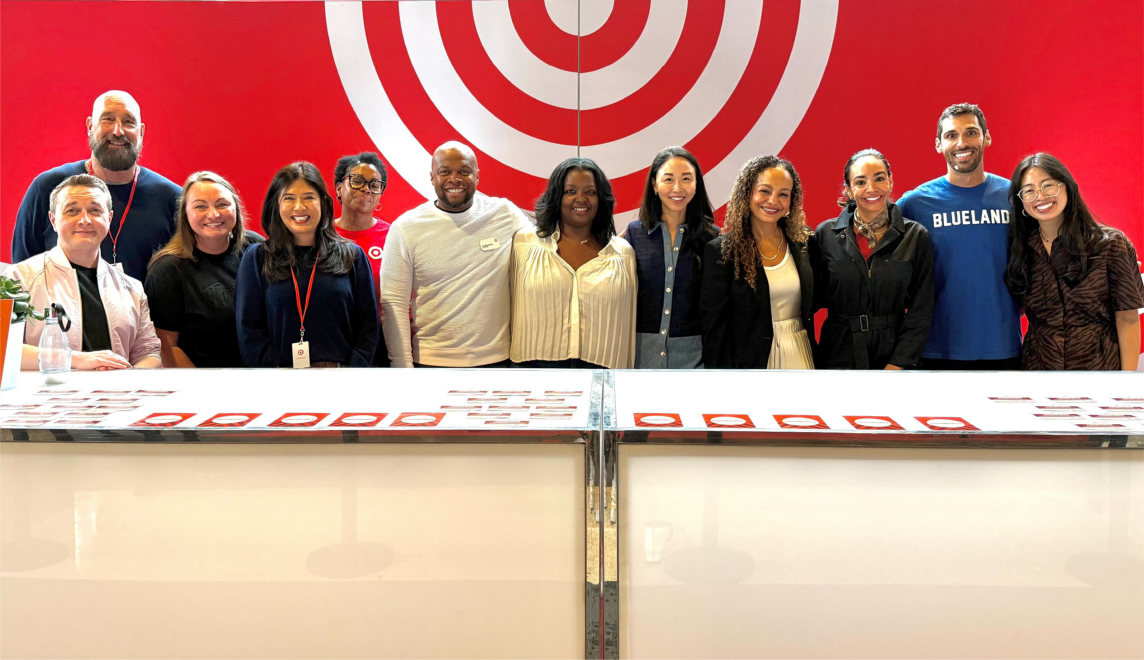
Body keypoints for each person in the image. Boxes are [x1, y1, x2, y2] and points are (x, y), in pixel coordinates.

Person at [379, 141, 530, 367]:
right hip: (431, 363)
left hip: (499, 362)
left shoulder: (504, 213)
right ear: (432, 177)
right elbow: (394, 303)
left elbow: (543, 250)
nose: (455, 179)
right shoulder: (406, 227)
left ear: (477, 176)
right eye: (445, 172)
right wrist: (402, 367)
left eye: (464, 172)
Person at [896, 103, 1021, 369]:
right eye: (951, 135)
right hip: (935, 350)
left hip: (1003, 347)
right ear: (938, 144)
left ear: (986, 137)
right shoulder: (914, 204)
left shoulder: (1014, 197)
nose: (962, 142)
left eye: (971, 133)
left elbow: (1054, 239)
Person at [11, 90, 180, 282]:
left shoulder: (172, 199)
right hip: (59, 311)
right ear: (90, 126)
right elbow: (22, 275)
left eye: (128, 122)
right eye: (108, 119)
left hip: (144, 311)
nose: (118, 131)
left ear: (141, 132)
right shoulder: (48, 188)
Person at [5, 175, 161, 370]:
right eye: (72, 211)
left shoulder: (132, 288)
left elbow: (149, 353)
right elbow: (4, 349)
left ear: (109, 218)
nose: (85, 220)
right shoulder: (18, 280)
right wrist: (75, 360)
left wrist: (125, 382)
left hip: (116, 398)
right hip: (46, 398)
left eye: (95, 210)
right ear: (53, 220)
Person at [1004, 153, 1144, 370]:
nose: (1040, 196)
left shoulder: (1111, 244)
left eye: (1048, 185)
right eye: (1029, 191)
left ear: (1067, 187)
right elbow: (1017, 306)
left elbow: (1128, 320)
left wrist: (1125, 382)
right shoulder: (1021, 248)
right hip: (1039, 372)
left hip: (1099, 370)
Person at [235, 162, 378, 368]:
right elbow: (249, 331)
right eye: (289, 198)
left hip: (342, 379)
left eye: (309, 197)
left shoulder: (352, 256)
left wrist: (352, 372)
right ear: (276, 204)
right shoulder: (257, 258)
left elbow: (368, 327)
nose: (299, 207)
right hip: (279, 380)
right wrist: (276, 372)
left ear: (323, 202)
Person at [813, 150, 935, 369]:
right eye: (860, 182)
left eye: (879, 178)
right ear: (849, 190)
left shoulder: (915, 236)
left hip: (894, 357)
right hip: (838, 356)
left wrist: (898, 364)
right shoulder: (825, 235)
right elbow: (808, 302)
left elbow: (921, 309)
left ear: (890, 182)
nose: (872, 188)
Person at [511, 158, 636, 369]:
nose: (581, 199)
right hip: (533, 370)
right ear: (557, 197)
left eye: (590, 192)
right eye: (570, 191)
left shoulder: (623, 253)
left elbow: (629, 320)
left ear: (600, 199)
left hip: (602, 369)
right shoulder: (524, 243)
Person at [701, 156, 815, 369]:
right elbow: (714, 329)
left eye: (783, 194)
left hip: (801, 354)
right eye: (764, 190)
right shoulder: (722, 251)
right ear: (746, 193)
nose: (773, 201)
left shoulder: (804, 242)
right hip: (751, 365)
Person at [144, 172, 264, 368]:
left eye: (222, 204)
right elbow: (166, 346)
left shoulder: (255, 248)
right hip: (204, 383)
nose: (213, 214)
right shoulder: (168, 269)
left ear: (236, 208)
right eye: (200, 206)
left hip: (263, 374)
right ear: (185, 214)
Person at [626, 147, 719, 369]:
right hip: (641, 360)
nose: (677, 188)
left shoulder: (712, 239)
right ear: (654, 185)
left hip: (694, 361)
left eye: (686, 179)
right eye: (668, 179)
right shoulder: (634, 233)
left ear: (696, 185)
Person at [332, 151, 391, 367]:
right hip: (335, 340)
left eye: (375, 184)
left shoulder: (395, 237)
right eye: (357, 181)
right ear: (339, 187)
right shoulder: (320, 236)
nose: (366, 188)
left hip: (383, 343)